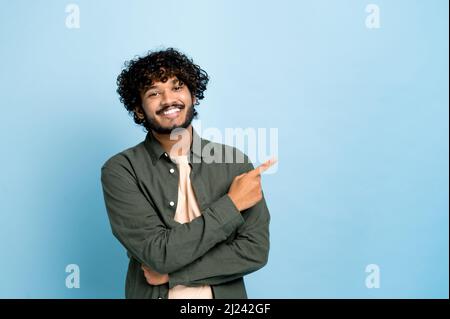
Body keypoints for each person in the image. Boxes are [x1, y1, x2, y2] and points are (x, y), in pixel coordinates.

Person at [101, 48, 274, 299]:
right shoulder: (121, 170)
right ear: (139, 109)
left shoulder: (234, 163)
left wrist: (174, 275)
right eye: (154, 93)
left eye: (177, 87)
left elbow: (254, 251)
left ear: (193, 96)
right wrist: (232, 204)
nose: (168, 99)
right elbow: (158, 255)